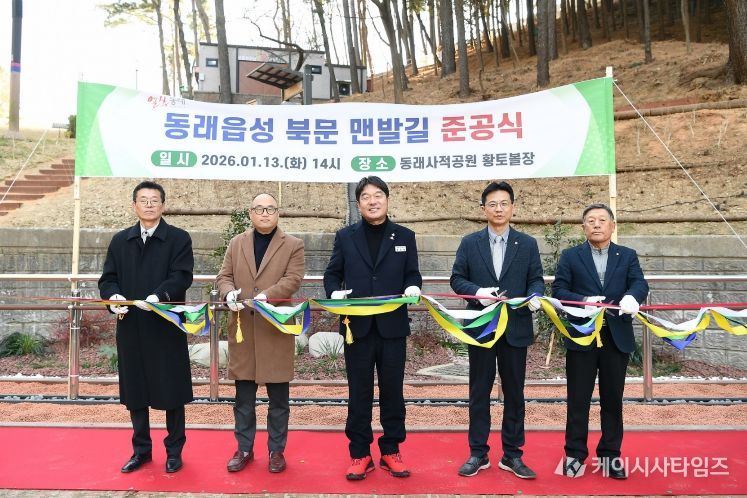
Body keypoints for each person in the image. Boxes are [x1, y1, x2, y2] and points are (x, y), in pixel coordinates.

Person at [323, 176, 422, 480]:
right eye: (366, 196)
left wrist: (413, 287)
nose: (372, 201)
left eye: (378, 195)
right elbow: (332, 274)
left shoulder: (405, 236)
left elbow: (413, 274)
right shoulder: (346, 237)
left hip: (393, 328)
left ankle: (391, 450)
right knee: (359, 392)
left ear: (387, 199)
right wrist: (333, 293)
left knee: (393, 391)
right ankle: (360, 453)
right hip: (358, 328)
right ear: (359, 203)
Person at [450, 181, 544, 480]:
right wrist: (477, 292)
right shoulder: (470, 243)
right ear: (483, 209)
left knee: (515, 393)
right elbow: (457, 279)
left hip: (515, 327)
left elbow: (536, 279)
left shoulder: (527, 244)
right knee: (479, 391)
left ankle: (512, 454)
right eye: (492, 204)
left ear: (512, 207)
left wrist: (535, 296)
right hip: (483, 327)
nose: (499, 209)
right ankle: (478, 452)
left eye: (504, 203)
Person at [99, 180, 194, 474]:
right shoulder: (120, 241)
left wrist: (159, 297)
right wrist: (113, 298)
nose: (149, 205)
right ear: (134, 205)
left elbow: (182, 276)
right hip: (131, 327)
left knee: (172, 390)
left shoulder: (178, 239)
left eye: (155, 200)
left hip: (165, 326)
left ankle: (174, 451)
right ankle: (141, 450)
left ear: (163, 205)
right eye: (144, 200)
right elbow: (108, 279)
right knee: (135, 391)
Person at [552, 203, 648, 480]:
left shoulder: (627, 255)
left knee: (612, 400)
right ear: (583, 227)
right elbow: (559, 289)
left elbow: (639, 283)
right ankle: (574, 455)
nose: (596, 224)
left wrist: (632, 297)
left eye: (602, 220)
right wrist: (583, 301)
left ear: (612, 225)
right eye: (591, 220)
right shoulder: (571, 256)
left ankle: (610, 456)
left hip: (615, 337)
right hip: (582, 335)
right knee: (578, 399)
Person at [215, 193, 305, 474]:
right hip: (243, 327)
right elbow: (224, 276)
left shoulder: (293, 244)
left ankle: (276, 450)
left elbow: (294, 279)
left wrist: (268, 295)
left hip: (275, 327)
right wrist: (228, 293)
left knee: (278, 399)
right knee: (243, 398)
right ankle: (244, 448)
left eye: (270, 209)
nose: (265, 213)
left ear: (278, 212)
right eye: (259, 209)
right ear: (250, 213)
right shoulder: (237, 243)